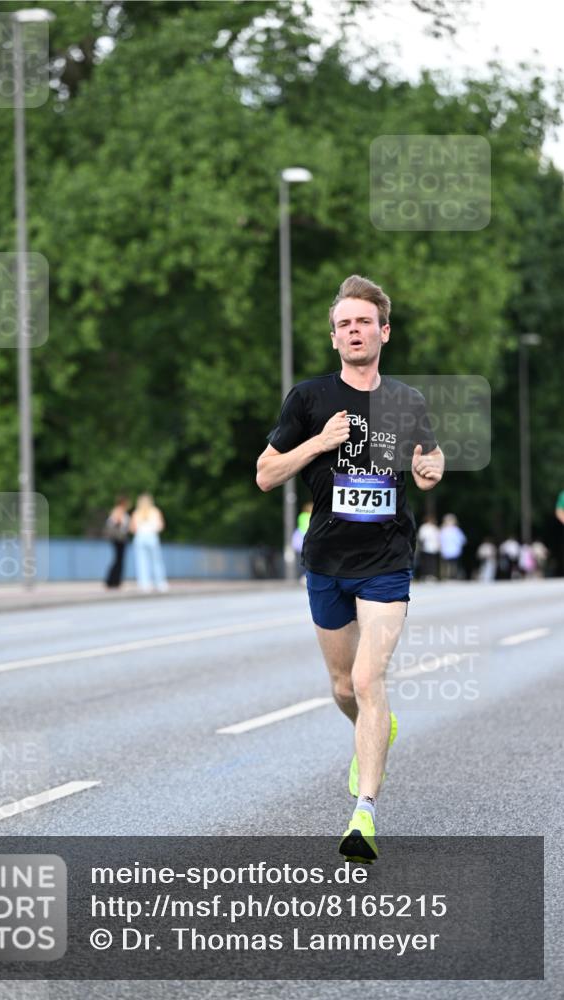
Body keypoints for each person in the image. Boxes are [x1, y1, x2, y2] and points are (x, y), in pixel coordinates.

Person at [256, 274, 444, 864]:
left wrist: (431, 471)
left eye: (364, 321)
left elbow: (427, 463)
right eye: (344, 324)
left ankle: (363, 812)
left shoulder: (408, 402)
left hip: (387, 563)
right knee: (342, 687)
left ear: (383, 332)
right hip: (327, 562)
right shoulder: (308, 400)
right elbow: (265, 474)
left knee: (368, 680)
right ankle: (375, 729)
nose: (353, 331)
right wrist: (317, 443)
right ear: (334, 338)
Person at [130, 493, 169, 593]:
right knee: (156, 561)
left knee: (142, 562)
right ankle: (160, 583)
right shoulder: (155, 511)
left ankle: (144, 584)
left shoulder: (136, 512)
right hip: (152, 536)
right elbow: (161, 526)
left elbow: (132, 528)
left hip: (139, 537)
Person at [104, 494, 131, 589]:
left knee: (118, 560)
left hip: (118, 539)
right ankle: (113, 581)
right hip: (119, 539)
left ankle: (113, 581)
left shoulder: (116, 510)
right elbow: (117, 523)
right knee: (119, 560)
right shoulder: (119, 510)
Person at [439, 514, 467, 580]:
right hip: (445, 550)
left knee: (454, 564)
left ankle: (453, 576)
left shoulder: (457, 530)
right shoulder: (443, 530)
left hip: (455, 550)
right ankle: (446, 576)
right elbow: (440, 539)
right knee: (446, 564)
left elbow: (462, 540)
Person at [291, 502, 313, 583]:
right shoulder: (307, 516)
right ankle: (305, 575)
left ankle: (305, 575)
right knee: (309, 559)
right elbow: (306, 527)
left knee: (303, 559)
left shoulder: (301, 516)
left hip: (299, 540)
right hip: (305, 540)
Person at [417, 515, 440, 581]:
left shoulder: (434, 528)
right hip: (426, 548)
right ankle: (426, 575)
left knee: (432, 562)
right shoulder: (424, 527)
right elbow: (421, 537)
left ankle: (431, 575)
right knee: (426, 562)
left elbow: (437, 537)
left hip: (432, 548)